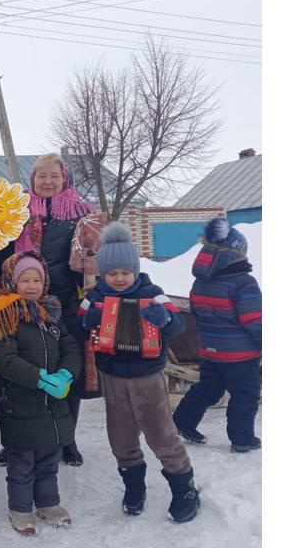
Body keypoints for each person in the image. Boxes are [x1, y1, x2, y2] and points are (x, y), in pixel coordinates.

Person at [0, 153, 97, 467]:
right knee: (17, 373)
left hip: (63, 303)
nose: (48, 182)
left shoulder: (81, 215)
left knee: (65, 372)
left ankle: (66, 439)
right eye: (42, 176)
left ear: (64, 178)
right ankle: (16, 442)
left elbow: (89, 265)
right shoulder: (13, 212)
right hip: (18, 305)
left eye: (54, 176)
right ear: (32, 179)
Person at [80, 222, 200, 523]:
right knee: (121, 439)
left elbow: (179, 326)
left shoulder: (153, 293)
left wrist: (164, 320)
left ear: (135, 270)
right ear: (102, 273)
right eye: (112, 273)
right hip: (112, 379)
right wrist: (88, 320)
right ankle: (134, 488)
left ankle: (184, 489)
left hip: (147, 378)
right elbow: (76, 323)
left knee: (162, 435)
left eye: (125, 272)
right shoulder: (94, 297)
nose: (119, 279)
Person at [0, 251, 82, 536]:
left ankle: (48, 502)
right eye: (24, 279)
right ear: (12, 282)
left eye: (36, 279)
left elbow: (71, 347)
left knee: (48, 458)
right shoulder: (4, 314)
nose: (30, 285)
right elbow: (4, 359)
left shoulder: (50, 314)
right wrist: (39, 378)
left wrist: (66, 374)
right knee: (23, 461)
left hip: (52, 404)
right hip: (21, 401)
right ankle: (20, 508)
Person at [172, 218, 262, 453]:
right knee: (245, 395)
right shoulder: (244, 284)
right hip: (241, 355)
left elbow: (196, 314)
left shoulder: (201, 283)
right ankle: (242, 439)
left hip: (211, 350)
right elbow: (255, 321)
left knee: (208, 389)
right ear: (237, 254)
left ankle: (183, 421)